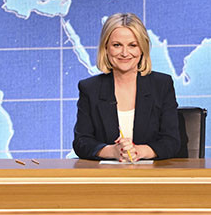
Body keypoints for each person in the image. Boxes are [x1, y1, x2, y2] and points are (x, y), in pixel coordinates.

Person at [72, 12, 180, 161]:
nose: (124, 53)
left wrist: (139, 151)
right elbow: (82, 142)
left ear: (142, 49)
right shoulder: (90, 88)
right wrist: (112, 151)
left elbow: (171, 142)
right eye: (117, 45)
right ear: (106, 48)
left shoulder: (161, 85)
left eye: (132, 45)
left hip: (151, 178)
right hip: (107, 179)